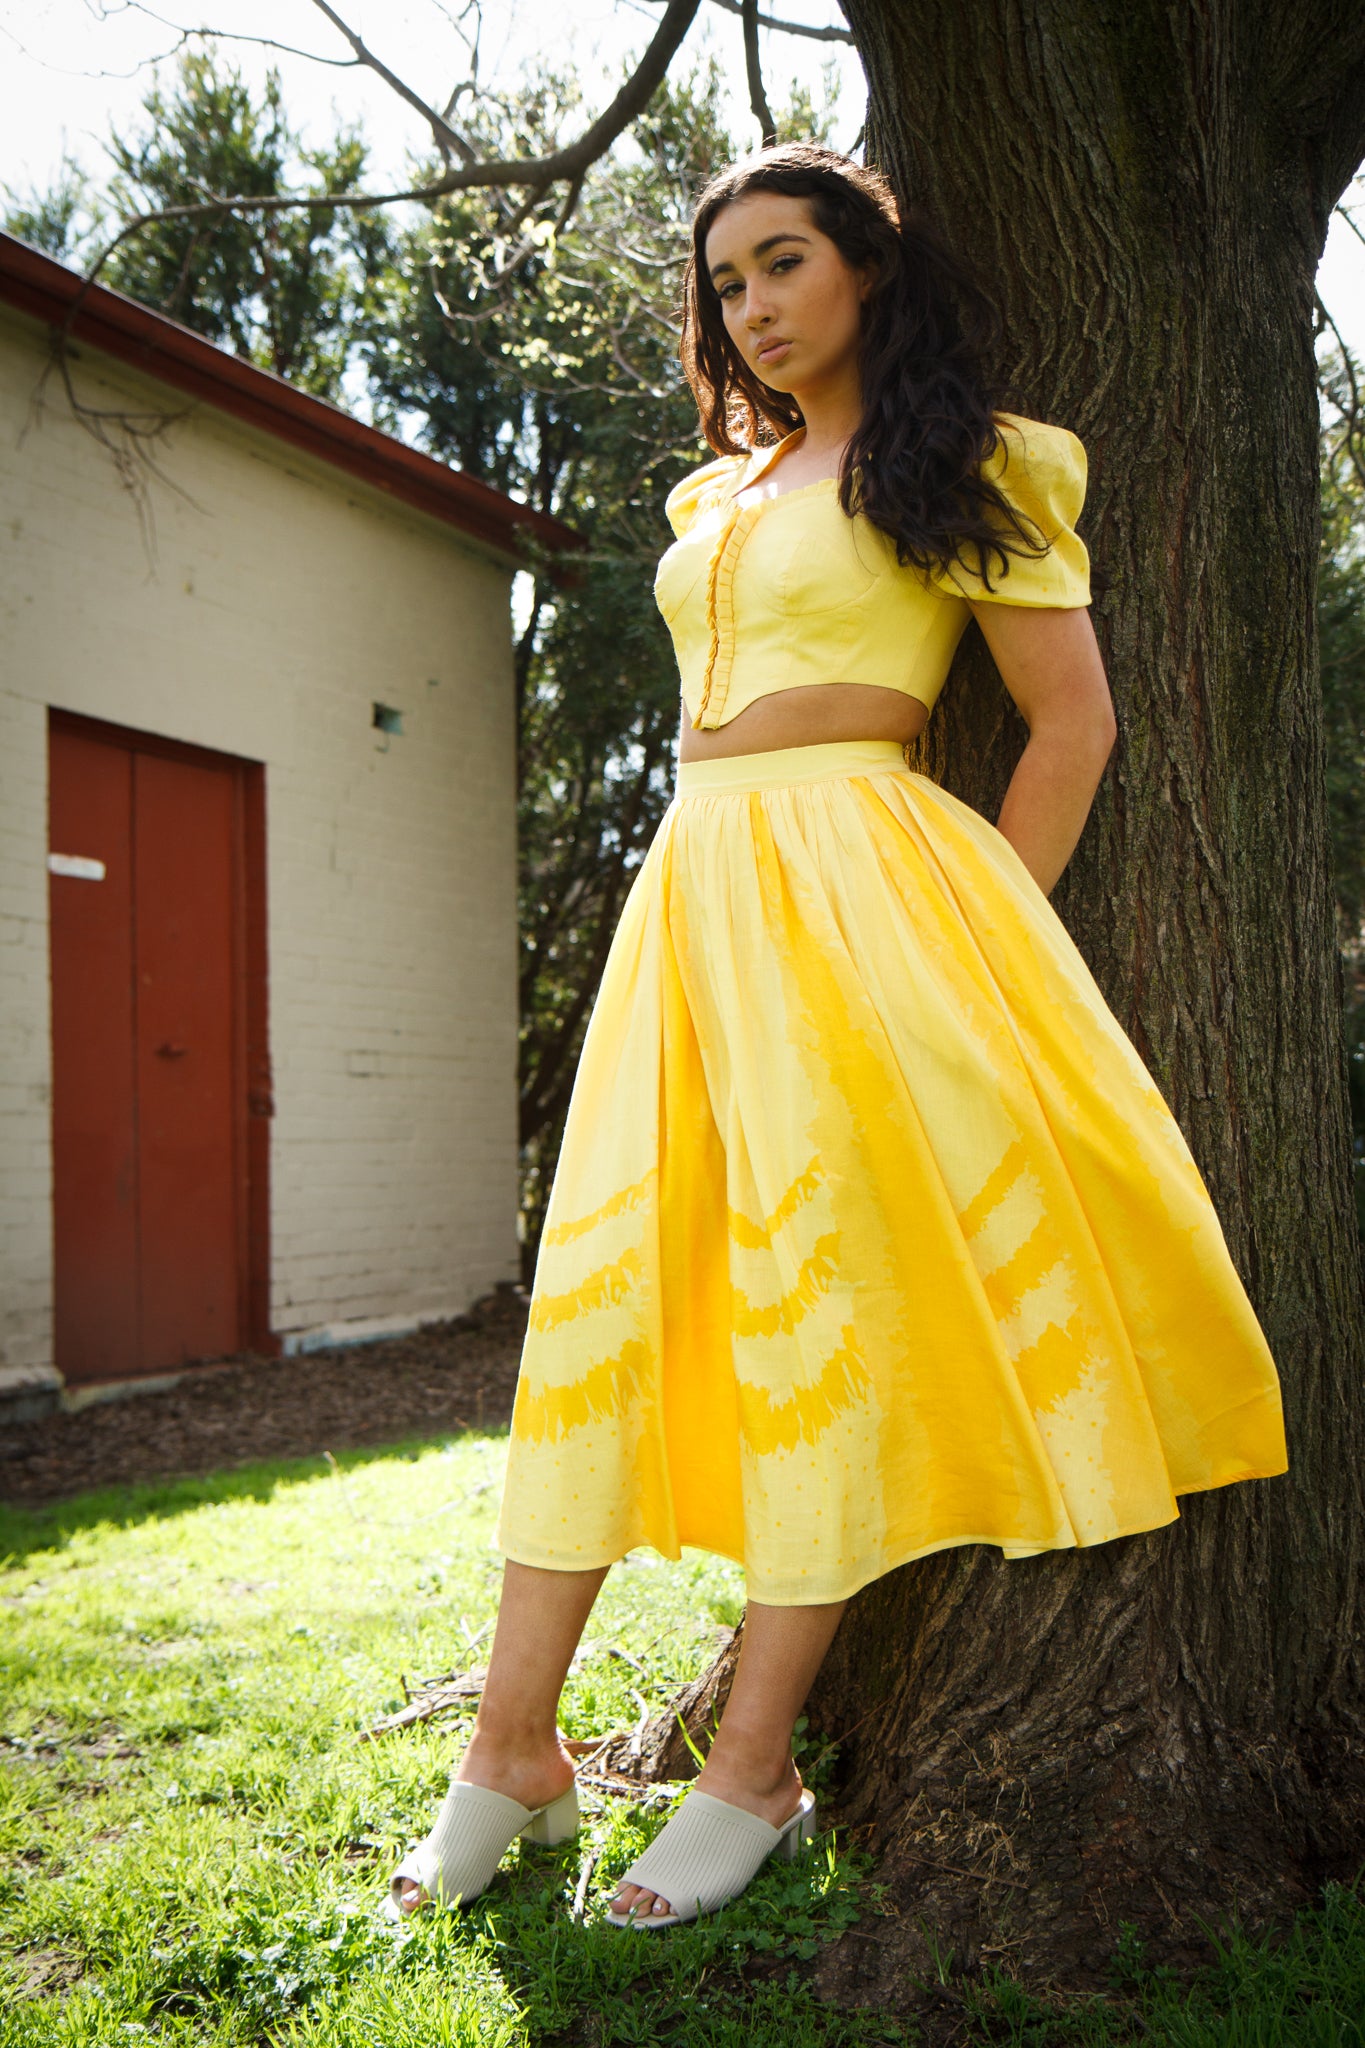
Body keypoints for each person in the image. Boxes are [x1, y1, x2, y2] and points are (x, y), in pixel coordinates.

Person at [388, 143, 1288, 1931]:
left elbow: (1070, 726)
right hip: (691, 896)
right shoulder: (709, 500)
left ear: (867, 268)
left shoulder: (973, 464)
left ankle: (754, 1769)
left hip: (868, 898)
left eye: (783, 263)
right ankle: (513, 1744)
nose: (754, 307)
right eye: (726, 284)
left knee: (837, 1301)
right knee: (611, 1284)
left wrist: (981, 952)